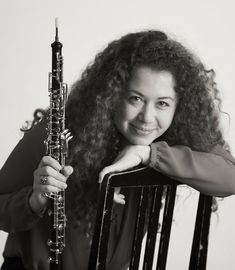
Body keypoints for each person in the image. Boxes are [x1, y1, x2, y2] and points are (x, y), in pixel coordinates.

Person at [1, 30, 235, 270]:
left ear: (178, 107)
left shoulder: (170, 140)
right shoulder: (57, 132)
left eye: (162, 103)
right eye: (135, 99)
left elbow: (231, 177)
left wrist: (146, 154)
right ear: (111, 96)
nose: (147, 118)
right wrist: (35, 200)